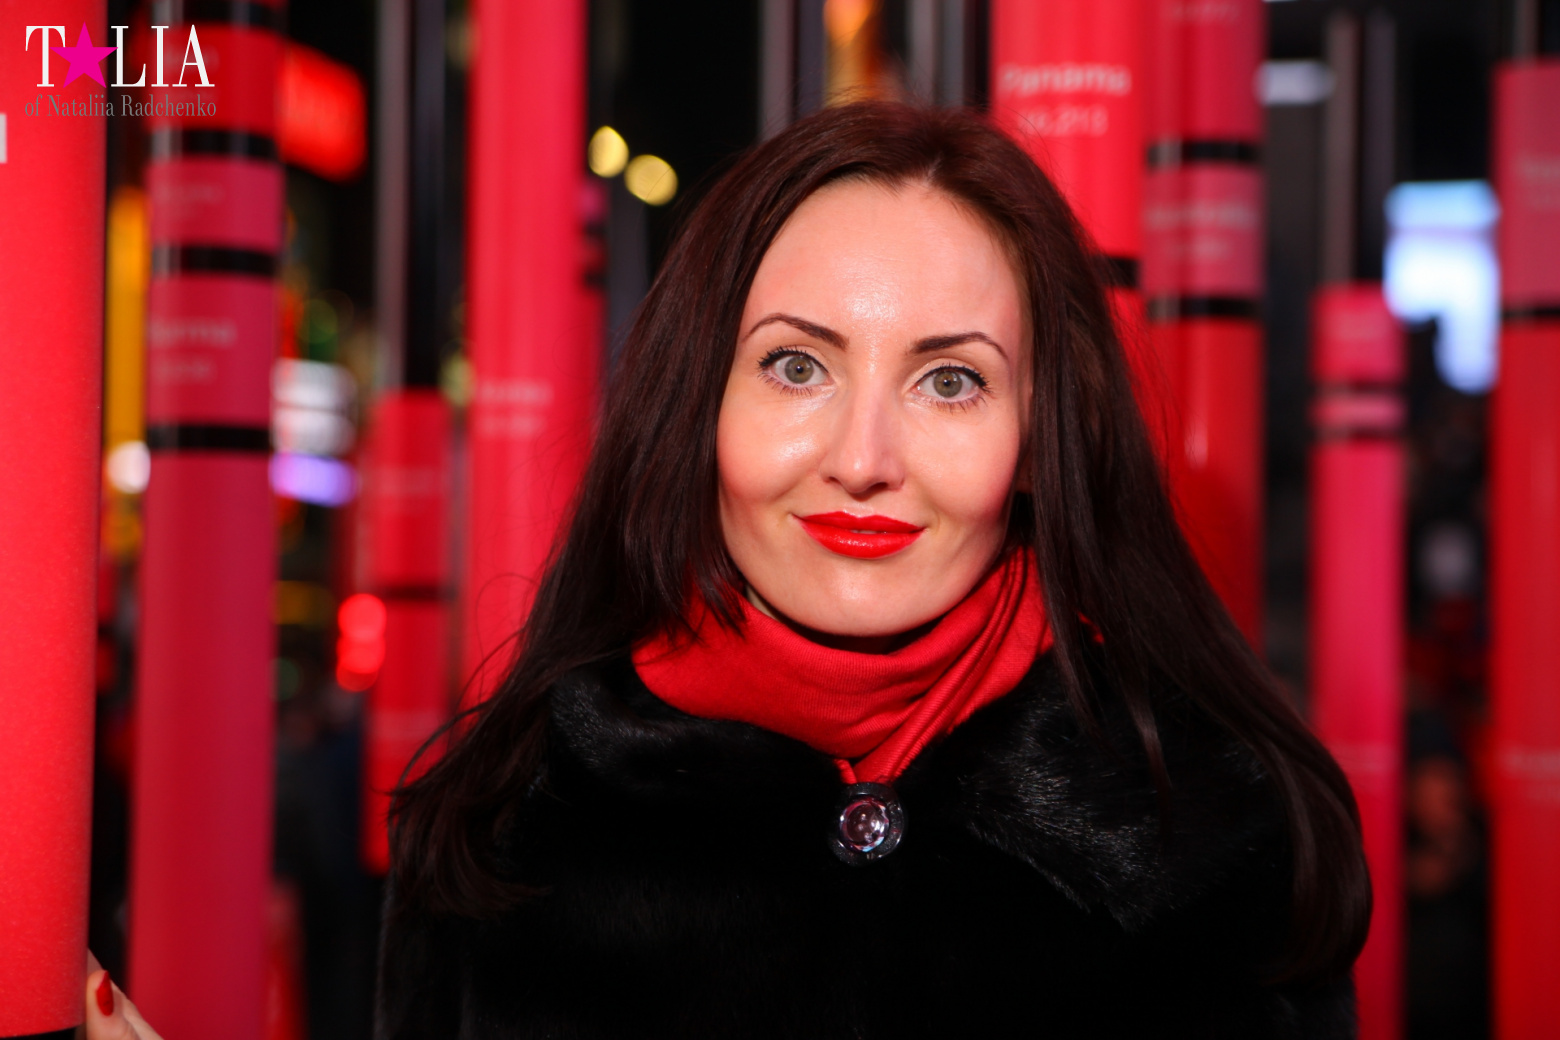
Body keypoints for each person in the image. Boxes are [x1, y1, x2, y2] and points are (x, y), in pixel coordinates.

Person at [88, 101, 1368, 1039]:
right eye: (798, 365)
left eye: (951, 380)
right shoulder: (508, 822)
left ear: (1038, 445)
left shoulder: (1210, 826)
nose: (864, 459)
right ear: (700, 405)